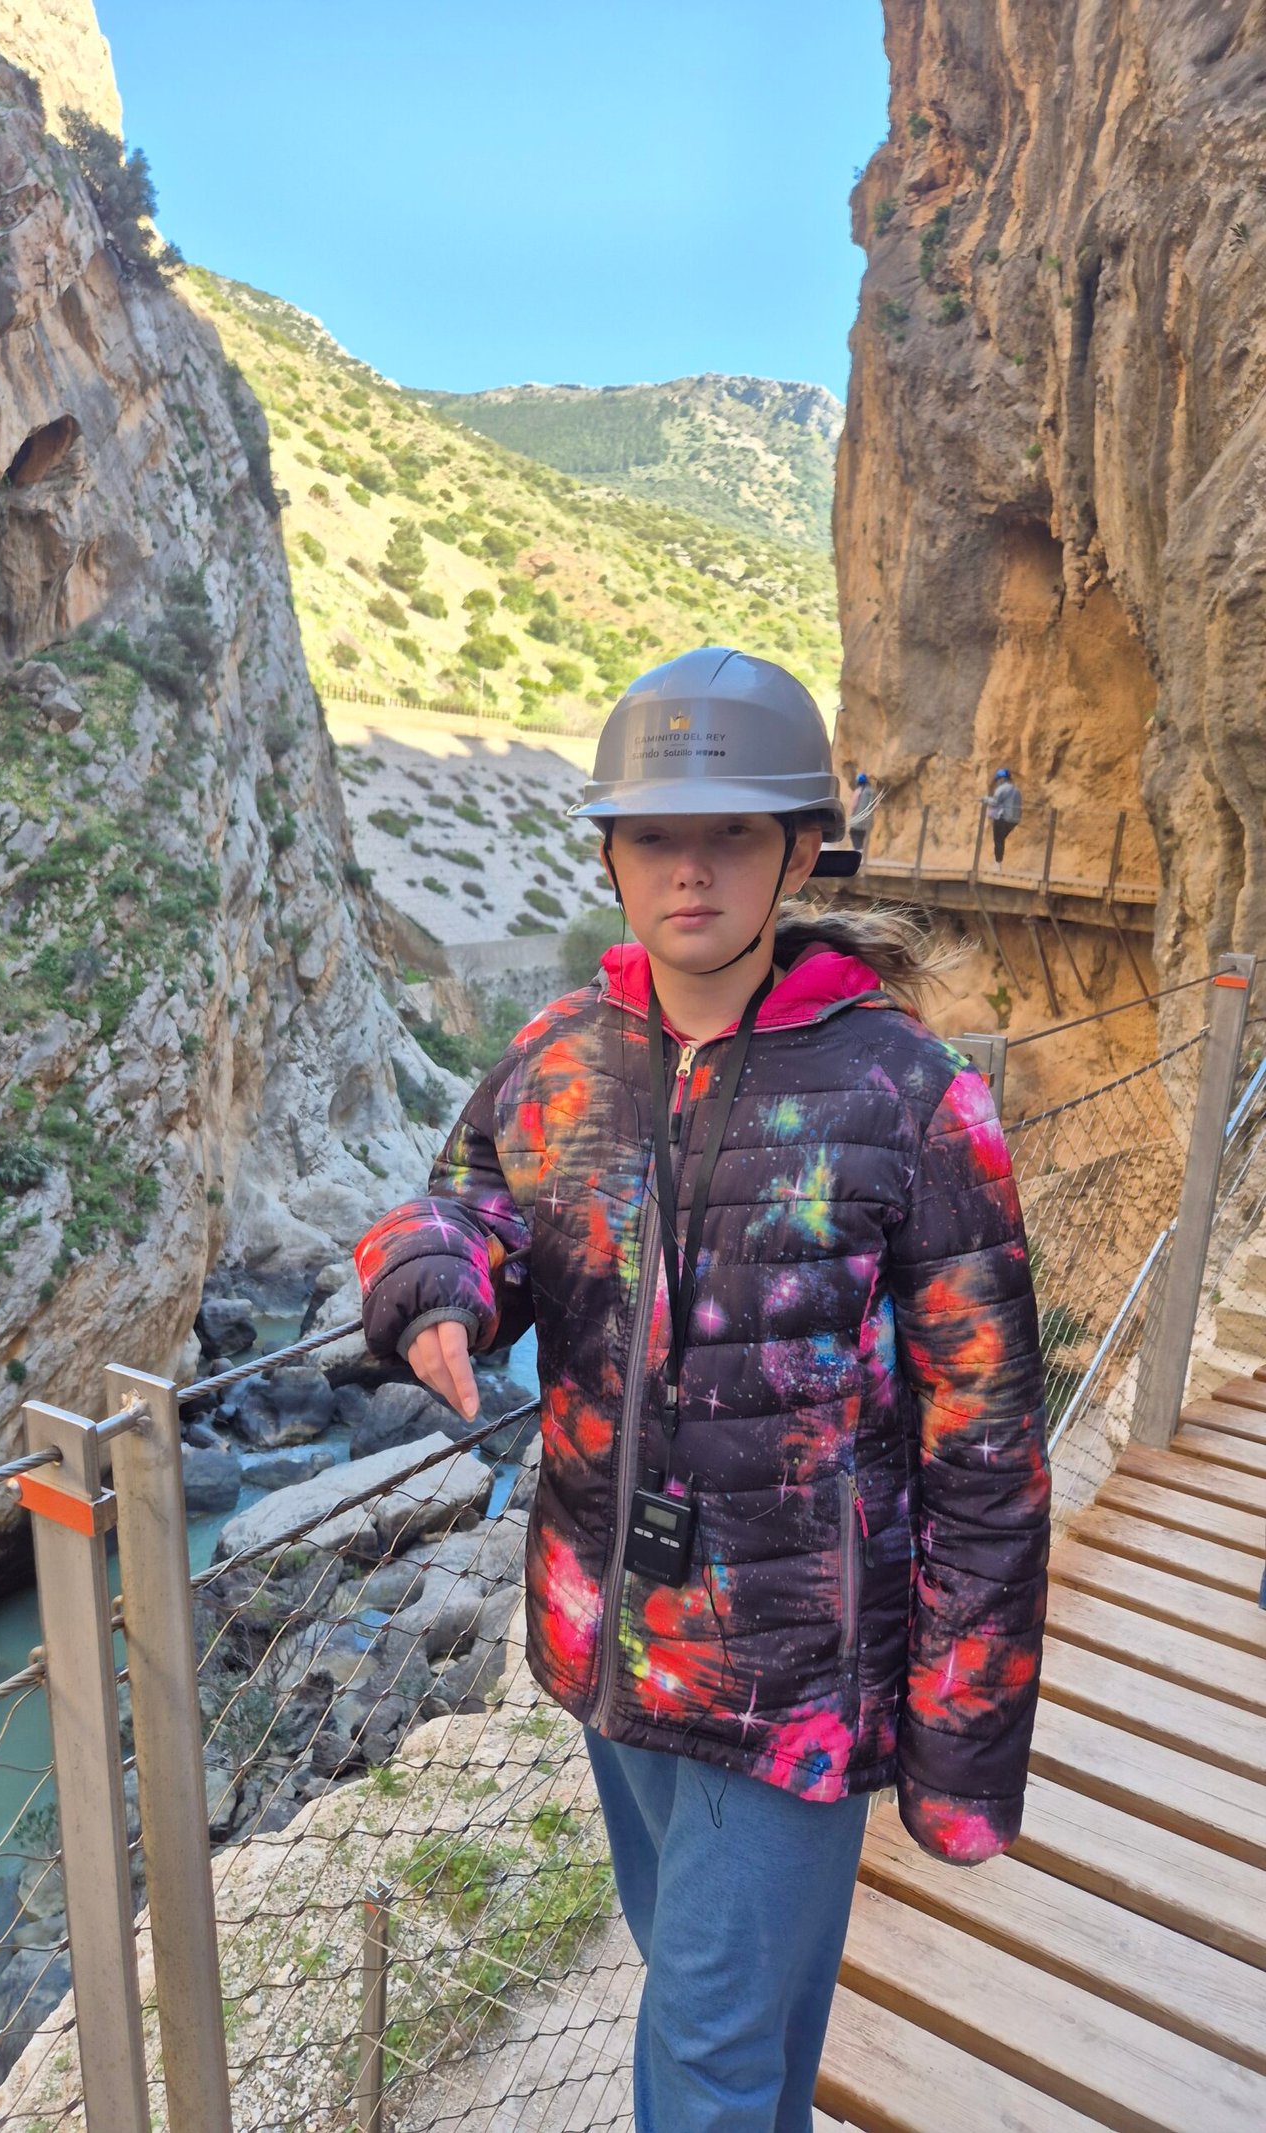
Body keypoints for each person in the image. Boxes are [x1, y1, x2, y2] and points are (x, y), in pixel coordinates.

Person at [354, 648, 1050, 2133]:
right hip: (610, 1640)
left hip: (795, 1672)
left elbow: (988, 1447)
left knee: (704, 2064)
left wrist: (965, 1733)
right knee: (732, 2015)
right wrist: (430, 1279)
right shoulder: (553, 1058)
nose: (691, 869)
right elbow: (465, 1201)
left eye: (731, 832)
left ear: (798, 849)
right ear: (609, 852)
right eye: (658, 834)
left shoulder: (913, 1098)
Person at [985, 766, 1021, 863]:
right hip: (1014, 820)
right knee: (1001, 839)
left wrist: (985, 799)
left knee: (998, 840)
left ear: (1001, 779)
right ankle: (998, 861)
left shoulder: (1001, 789)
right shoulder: (1016, 790)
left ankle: (998, 863)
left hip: (1003, 818)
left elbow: (995, 802)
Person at [847, 769, 877, 856]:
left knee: (853, 833)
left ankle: (858, 852)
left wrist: (851, 815)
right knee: (862, 835)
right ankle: (861, 852)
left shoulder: (858, 791)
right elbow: (875, 807)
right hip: (868, 820)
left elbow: (853, 805)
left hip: (858, 818)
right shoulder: (872, 792)